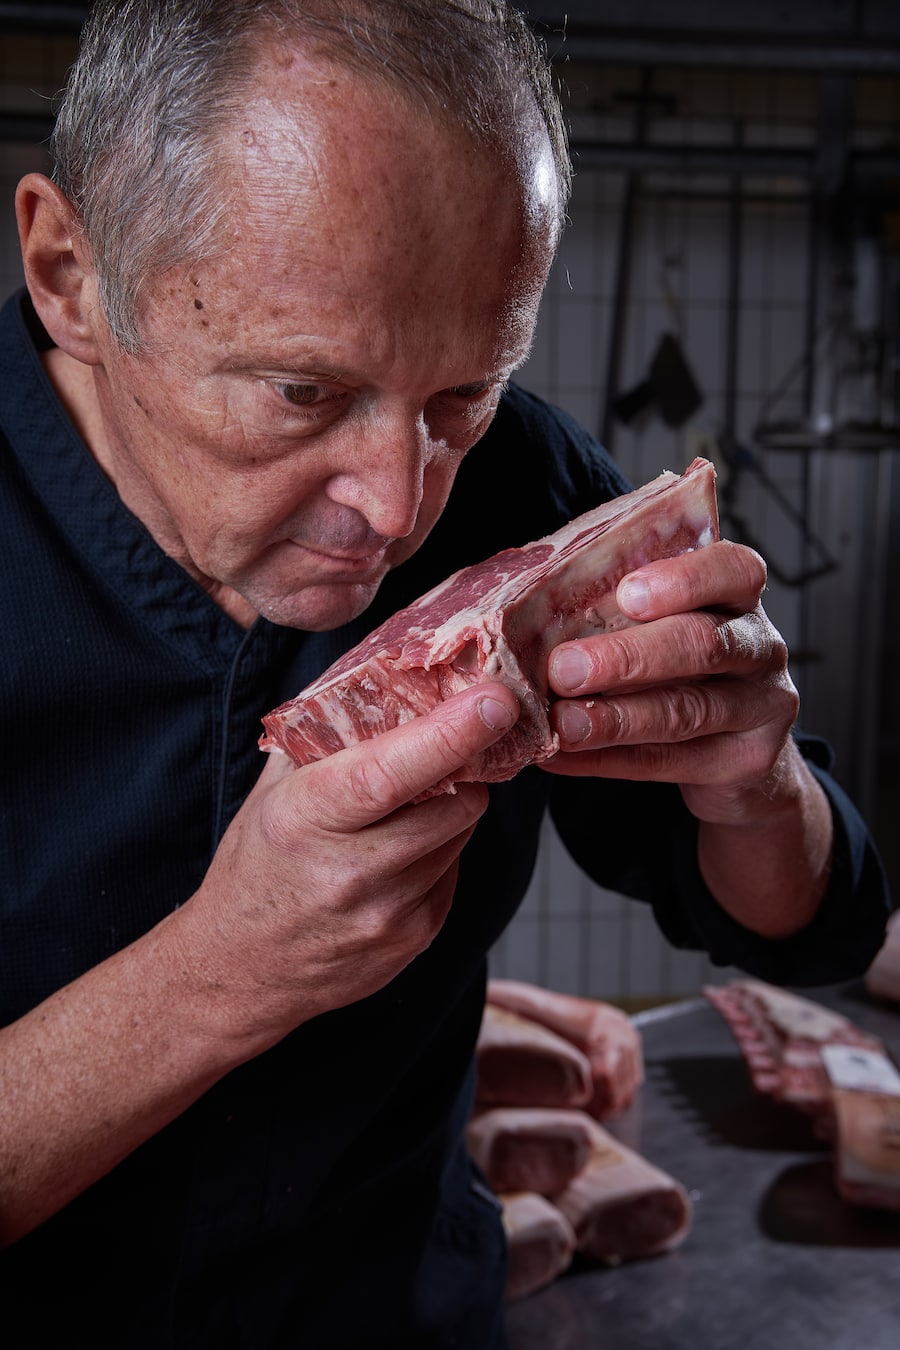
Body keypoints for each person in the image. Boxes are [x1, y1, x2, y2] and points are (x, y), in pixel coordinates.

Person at [0, 1, 888, 1345]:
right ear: (70, 273)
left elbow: (794, 921)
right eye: (302, 392)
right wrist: (222, 970)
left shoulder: (518, 484)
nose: (396, 501)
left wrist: (760, 788)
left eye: (461, 393)